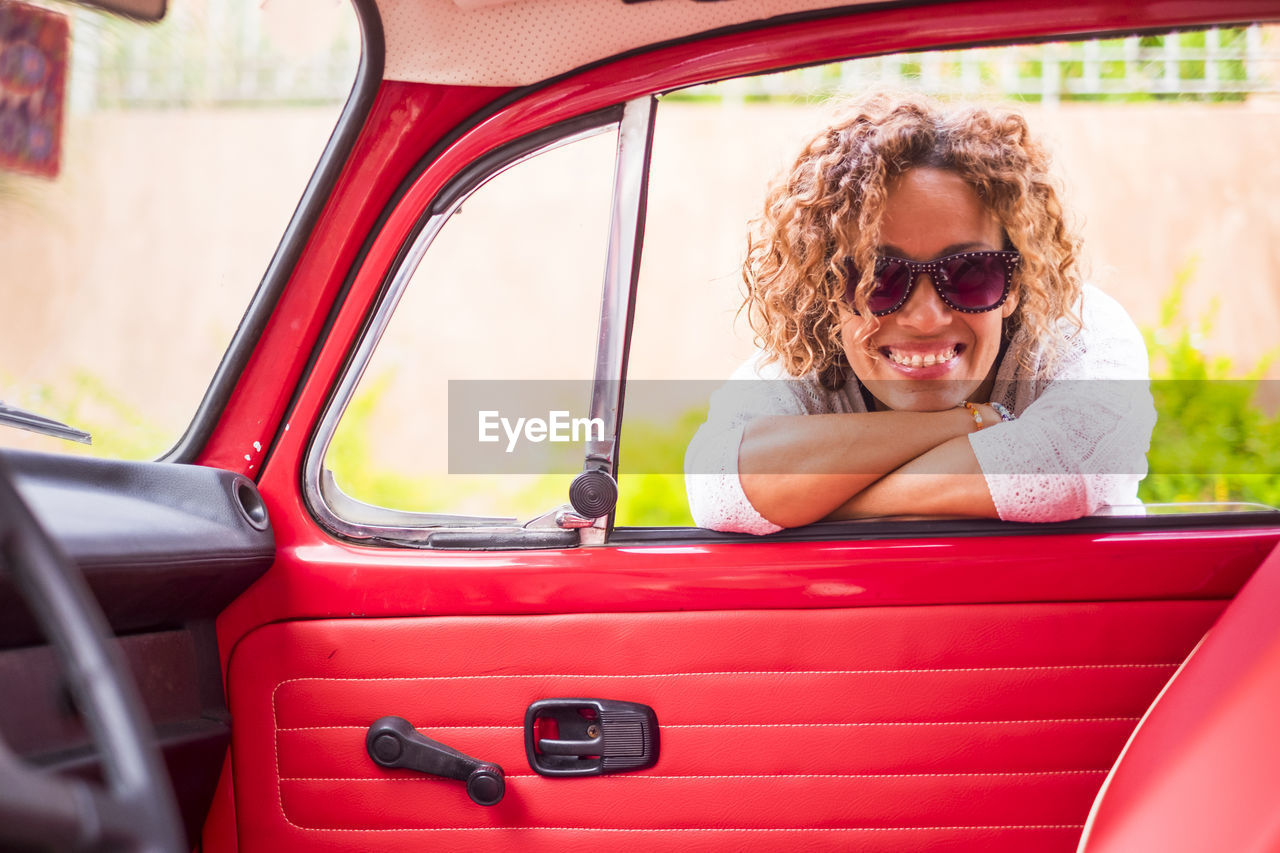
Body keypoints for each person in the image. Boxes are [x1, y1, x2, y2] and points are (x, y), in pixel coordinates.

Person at [685, 91, 1155, 534]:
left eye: (972, 270)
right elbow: (719, 487)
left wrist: (821, 502)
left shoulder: (1077, 331)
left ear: (1017, 282)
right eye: (875, 277)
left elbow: (1066, 470)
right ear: (826, 291)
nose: (925, 317)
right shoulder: (807, 367)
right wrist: (974, 420)